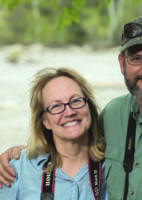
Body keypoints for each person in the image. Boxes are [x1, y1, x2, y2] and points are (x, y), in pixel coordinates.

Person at [1, 15, 142, 200]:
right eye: (135, 59)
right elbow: (71, 137)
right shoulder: (114, 114)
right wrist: (19, 154)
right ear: (122, 64)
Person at [0, 67, 108, 200]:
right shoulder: (16, 170)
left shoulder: (115, 165)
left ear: (89, 107)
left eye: (76, 101)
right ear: (45, 121)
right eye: (56, 106)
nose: (69, 112)